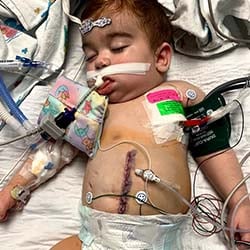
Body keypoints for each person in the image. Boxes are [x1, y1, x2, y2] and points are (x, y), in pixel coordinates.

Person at [1, 0, 250, 249]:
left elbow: (213, 147)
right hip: (95, 237)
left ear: (161, 58)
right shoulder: (91, 109)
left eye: (118, 47)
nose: (100, 62)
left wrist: (239, 201)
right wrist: (13, 189)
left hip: (161, 240)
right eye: (90, 55)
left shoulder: (179, 94)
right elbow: (53, 153)